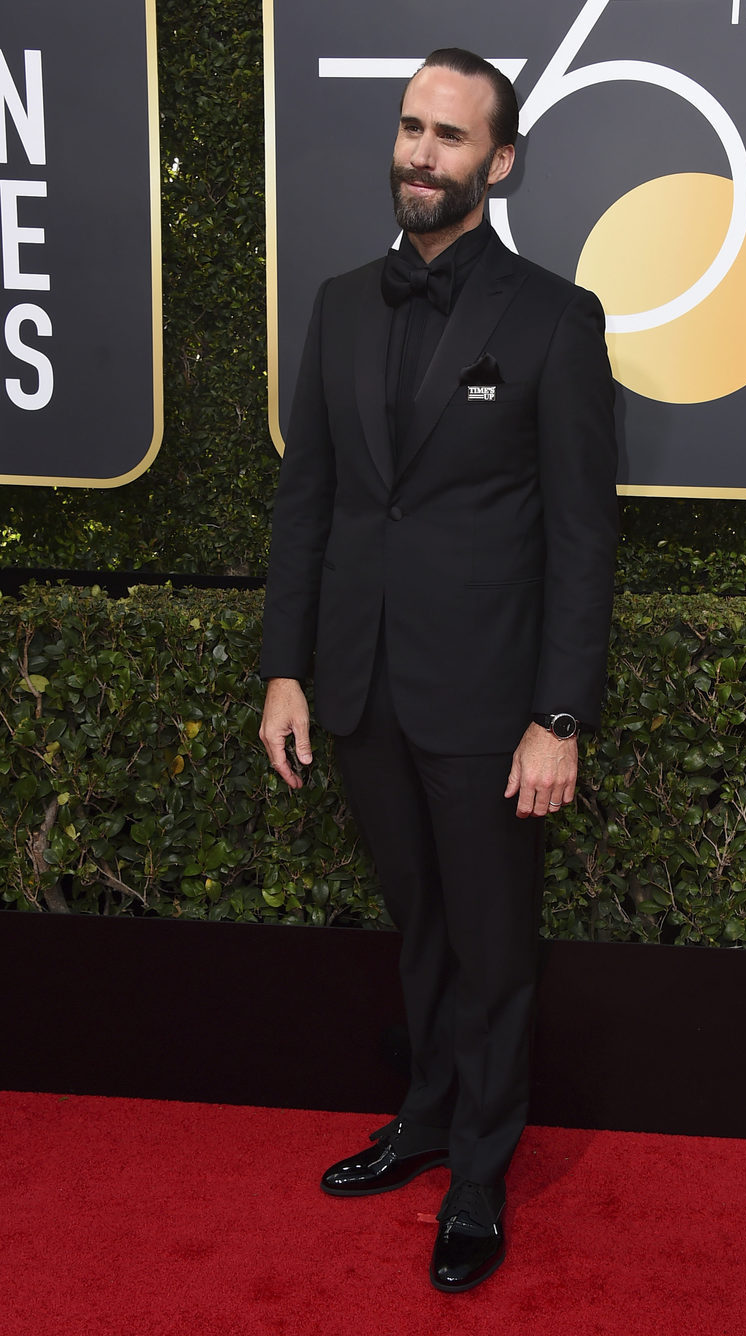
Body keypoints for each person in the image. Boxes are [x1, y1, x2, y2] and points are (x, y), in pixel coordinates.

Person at [259, 47, 619, 1292]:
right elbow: (307, 502)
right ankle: (422, 1117)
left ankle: (478, 1172)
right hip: (357, 688)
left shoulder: (554, 319)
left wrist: (556, 715)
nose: (420, 152)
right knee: (418, 930)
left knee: (493, 942)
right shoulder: (341, 302)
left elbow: (581, 538)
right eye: (409, 128)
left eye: (450, 136)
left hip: (487, 703)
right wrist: (284, 669)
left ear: (498, 160)